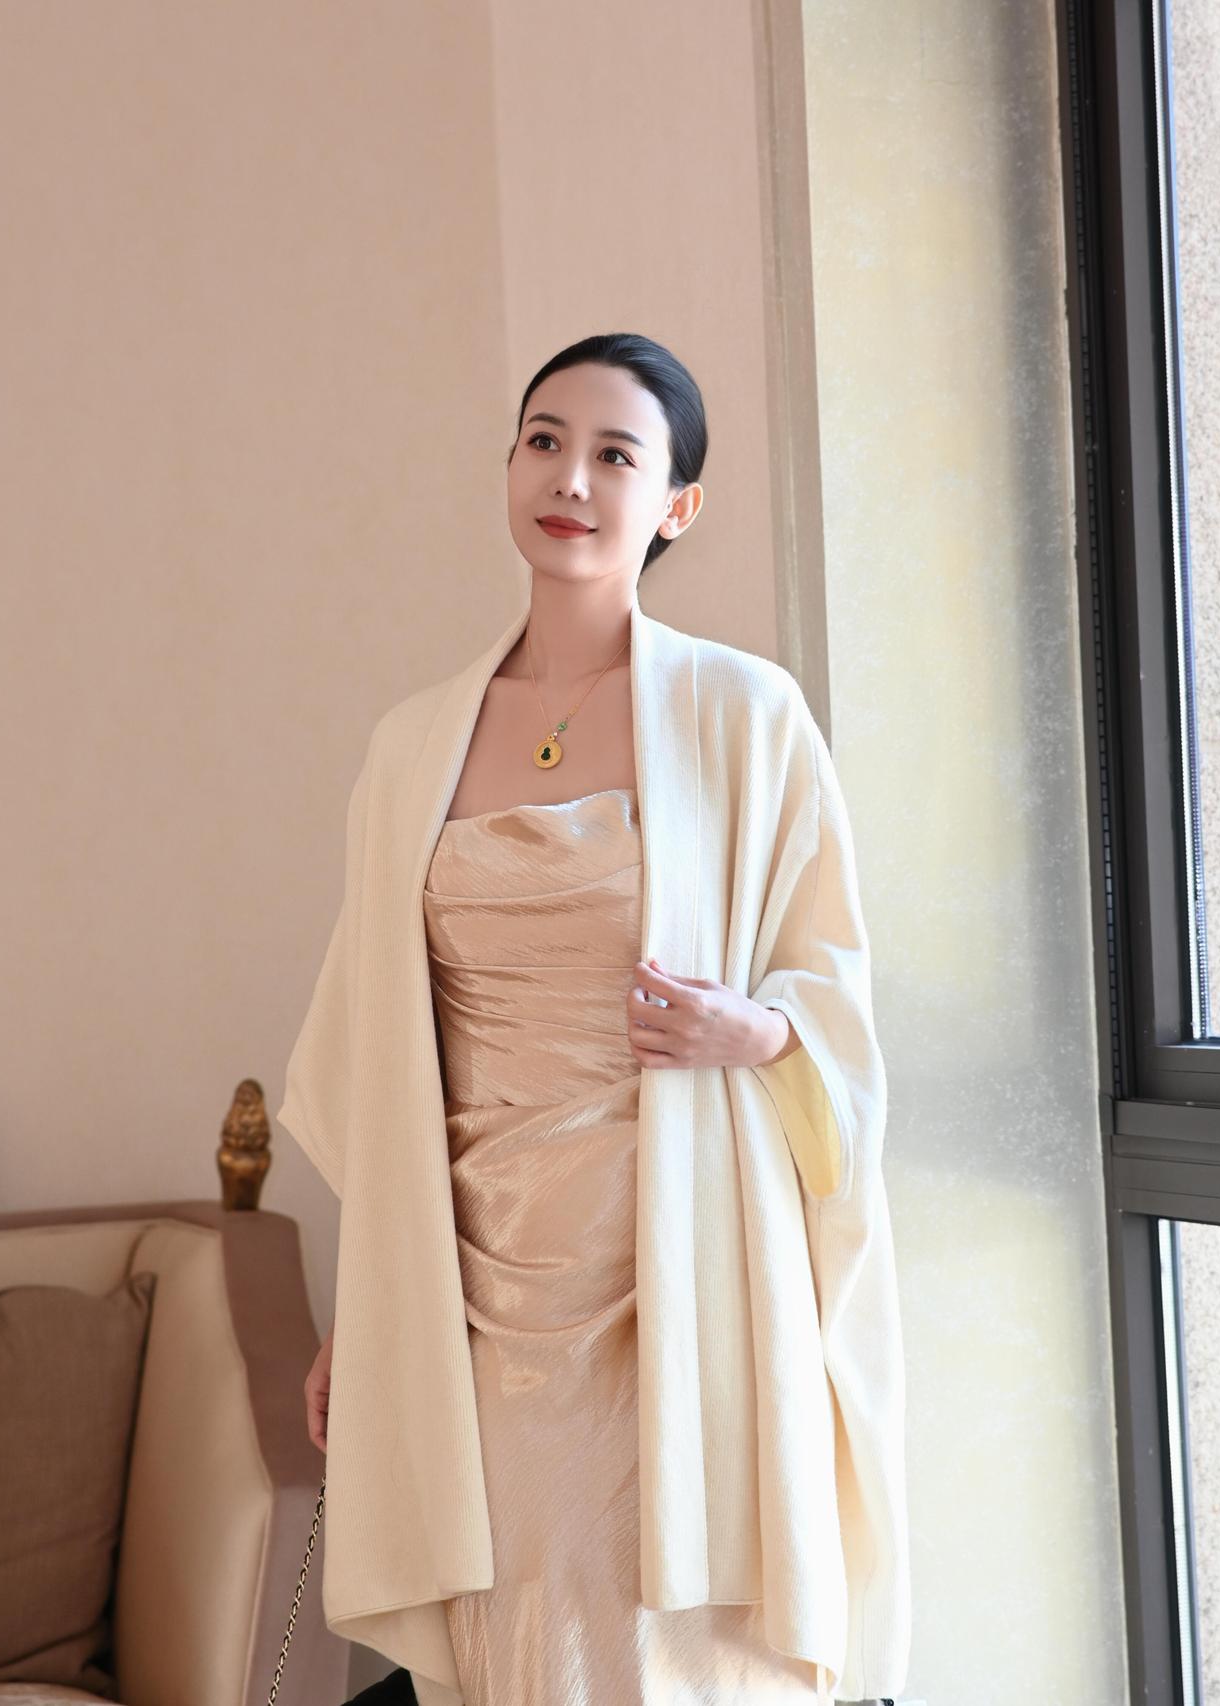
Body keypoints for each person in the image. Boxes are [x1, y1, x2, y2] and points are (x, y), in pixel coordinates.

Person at [287, 332, 907, 1706]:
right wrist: (366, 1315)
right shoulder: (412, 745)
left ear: (677, 504)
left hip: (681, 1257)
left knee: (676, 1646)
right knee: (517, 1636)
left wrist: (757, 1033)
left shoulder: (745, 714)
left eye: (615, 455)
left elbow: (835, 998)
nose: (569, 479)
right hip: (476, 1291)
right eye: (543, 441)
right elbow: (381, 1057)